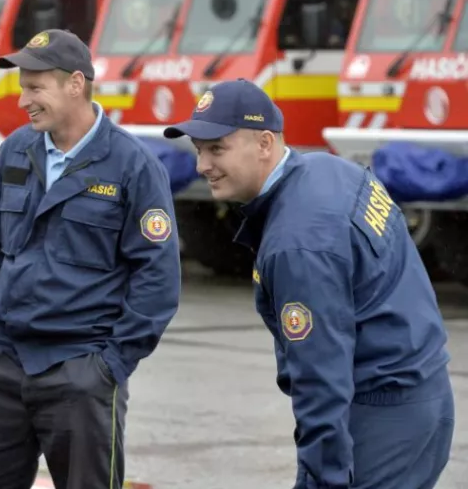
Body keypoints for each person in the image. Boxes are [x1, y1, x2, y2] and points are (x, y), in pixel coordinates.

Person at [163, 78, 455, 489]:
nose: (201, 166)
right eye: (199, 150)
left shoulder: (297, 244)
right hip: (425, 396)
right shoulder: (329, 169)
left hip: (381, 417)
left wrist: (324, 475)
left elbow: (322, 378)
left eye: (217, 149)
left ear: (265, 143)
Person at [0, 29, 182, 489]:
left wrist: (109, 365)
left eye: (35, 87)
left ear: (76, 84)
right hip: (1, 364)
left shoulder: (132, 166)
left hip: (81, 370)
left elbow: (157, 278)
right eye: (22, 87)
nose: (23, 100)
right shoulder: (16, 150)